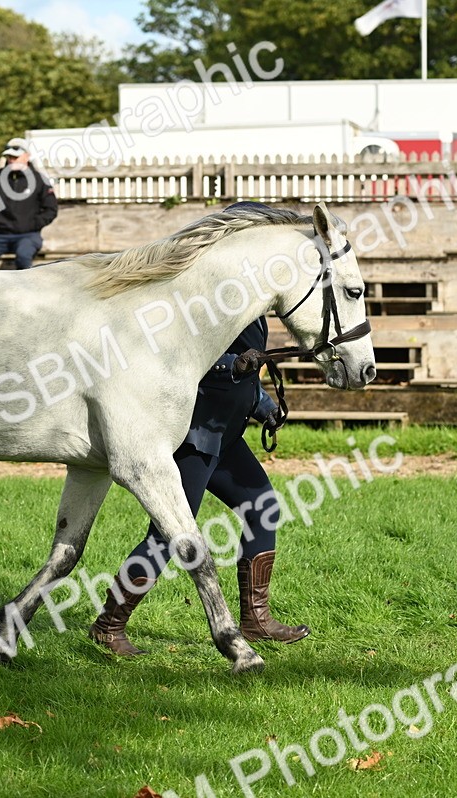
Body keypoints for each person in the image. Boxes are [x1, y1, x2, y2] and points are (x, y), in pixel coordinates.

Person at [89, 202, 309, 656]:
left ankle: (256, 619)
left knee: (262, 508)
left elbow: (250, 366)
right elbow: (185, 360)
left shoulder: (253, 299)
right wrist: (232, 363)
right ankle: (109, 625)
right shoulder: (207, 300)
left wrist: (263, 403)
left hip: (226, 433)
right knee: (169, 535)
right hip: (193, 434)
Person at [0, 137, 58, 270]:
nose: (11, 160)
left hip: (28, 235)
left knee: (23, 257)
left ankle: (23, 290)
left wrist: (32, 224)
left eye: (16, 157)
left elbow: (51, 209)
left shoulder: (39, 180)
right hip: (0, 234)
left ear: (27, 156)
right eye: (9, 157)